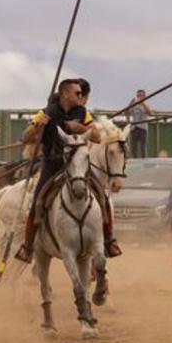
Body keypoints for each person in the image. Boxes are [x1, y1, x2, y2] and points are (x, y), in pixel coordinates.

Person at [14, 79, 121, 263]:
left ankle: (109, 241)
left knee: (102, 197)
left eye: (81, 93)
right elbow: (25, 138)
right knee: (38, 201)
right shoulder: (45, 112)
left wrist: (78, 127)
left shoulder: (83, 113)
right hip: (53, 164)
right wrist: (39, 126)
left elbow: (96, 137)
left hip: (77, 163)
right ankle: (28, 246)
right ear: (65, 94)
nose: (81, 96)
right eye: (77, 93)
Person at [127, 89, 152, 158]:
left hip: (143, 128)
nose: (139, 97)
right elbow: (127, 112)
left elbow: (150, 113)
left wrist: (143, 103)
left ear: (144, 96)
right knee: (133, 147)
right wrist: (131, 103)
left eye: (141, 96)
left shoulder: (145, 105)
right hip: (134, 128)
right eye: (138, 96)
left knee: (143, 147)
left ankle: (144, 160)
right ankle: (134, 160)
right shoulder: (134, 105)